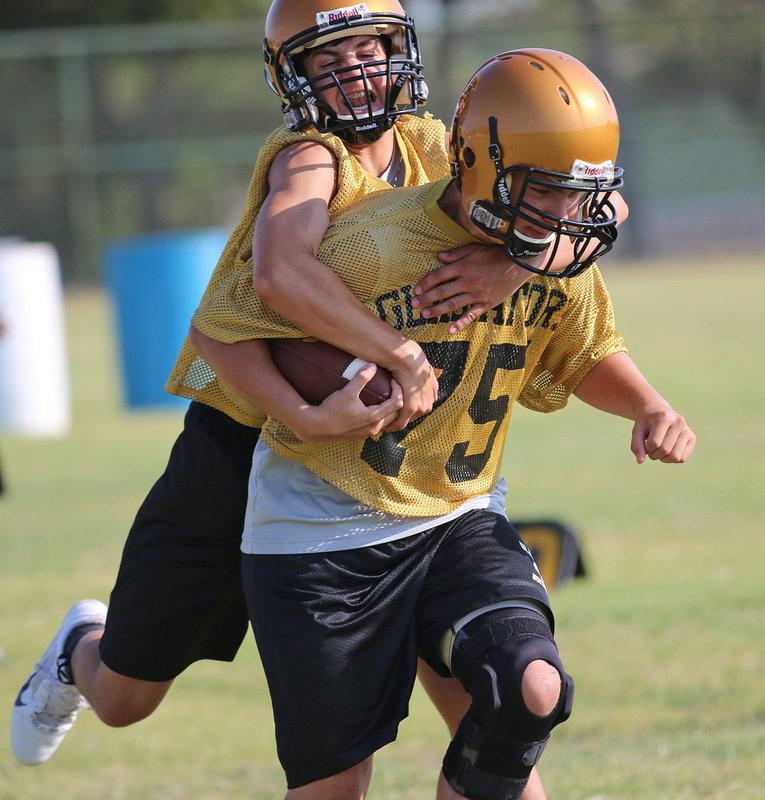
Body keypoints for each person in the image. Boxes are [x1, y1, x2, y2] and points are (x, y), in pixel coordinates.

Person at [10, 5, 550, 796]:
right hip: (244, 440)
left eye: (369, 49)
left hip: (392, 469)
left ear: (401, 49)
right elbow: (271, 283)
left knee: (488, 695)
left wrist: (514, 264)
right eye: (331, 59)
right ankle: (80, 650)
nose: (359, 71)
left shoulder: (444, 144)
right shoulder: (309, 159)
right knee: (125, 698)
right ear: (293, 78)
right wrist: (364, 370)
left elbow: (580, 201)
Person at [190, 48, 695, 800]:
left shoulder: (556, 256)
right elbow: (219, 327)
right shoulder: (368, 244)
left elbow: (583, 349)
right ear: (481, 165)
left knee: (531, 692)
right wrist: (302, 410)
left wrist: (649, 405)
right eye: (549, 192)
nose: (568, 218)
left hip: (457, 517)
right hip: (323, 532)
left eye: (581, 194)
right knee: (334, 787)